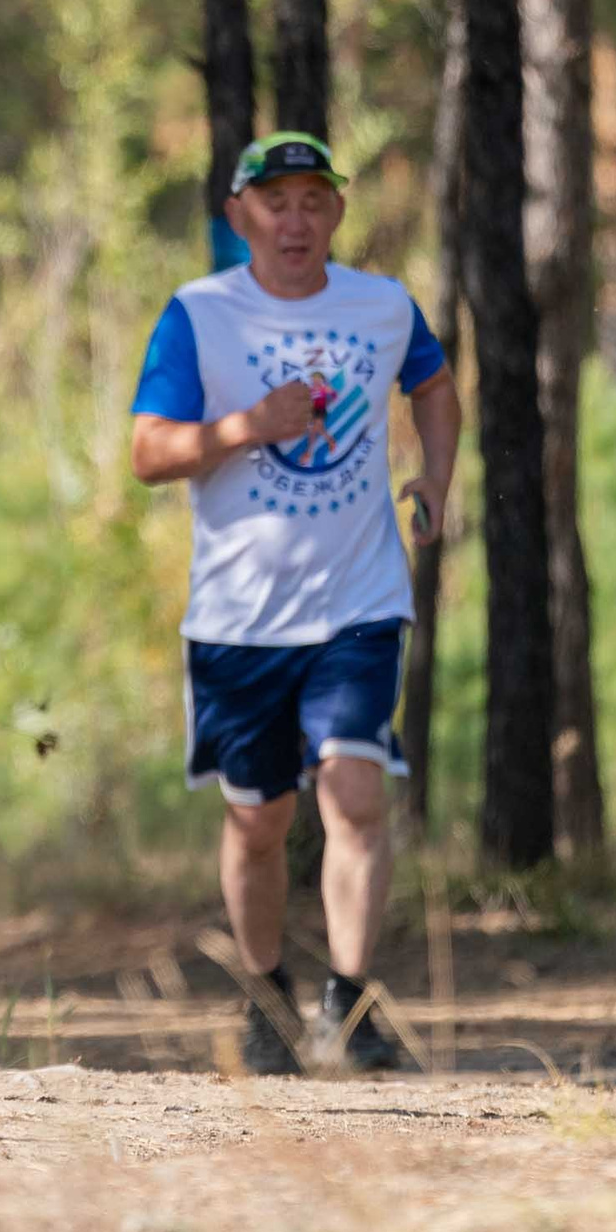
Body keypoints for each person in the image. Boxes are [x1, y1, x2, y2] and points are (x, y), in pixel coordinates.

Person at [129, 130, 460, 1075]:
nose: (295, 219)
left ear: (337, 214)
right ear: (240, 216)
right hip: (238, 619)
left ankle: (349, 1006)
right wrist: (250, 426)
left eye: (314, 200)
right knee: (258, 820)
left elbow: (434, 386)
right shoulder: (199, 315)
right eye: (275, 202)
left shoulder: (381, 306)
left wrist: (437, 477)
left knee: (356, 792)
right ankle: (265, 996)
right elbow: (150, 451)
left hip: (357, 602)